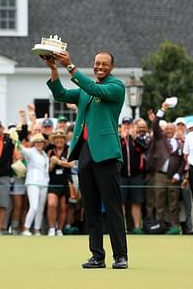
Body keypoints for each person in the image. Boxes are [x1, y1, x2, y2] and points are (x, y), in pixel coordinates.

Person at [43, 50, 128, 269]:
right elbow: (60, 94)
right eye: (97, 63)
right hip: (86, 152)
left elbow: (93, 88)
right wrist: (54, 68)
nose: (100, 67)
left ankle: (120, 256)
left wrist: (70, 66)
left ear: (112, 67)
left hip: (107, 153)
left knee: (112, 207)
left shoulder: (116, 87)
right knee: (90, 208)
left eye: (104, 64)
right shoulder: (85, 90)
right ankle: (97, 256)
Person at [147, 104, 186, 234]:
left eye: (171, 129)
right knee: (159, 202)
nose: (169, 130)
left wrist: (178, 175)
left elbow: (182, 162)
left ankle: (175, 226)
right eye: (167, 129)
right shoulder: (159, 139)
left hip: (173, 176)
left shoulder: (179, 143)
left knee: (174, 203)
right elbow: (155, 124)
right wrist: (162, 110)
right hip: (160, 175)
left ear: (175, 130)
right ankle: (160, 225)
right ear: (164, 130)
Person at [119, 117, 147, 234]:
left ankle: (137, 227)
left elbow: (144, 149)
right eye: (125, 124)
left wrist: (134, 138)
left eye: (129, 124)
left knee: (137, 202)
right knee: (121, 202)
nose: (127, 126)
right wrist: (121, 138)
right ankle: (122, 227)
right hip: (121, 175)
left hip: (136, 176)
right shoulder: (118, 140)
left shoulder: (137, 139)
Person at [21, 133, 50, 236]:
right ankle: (26, 228)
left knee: (41, 208)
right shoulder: (31, 152)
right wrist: (16, 140)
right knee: (33, 206)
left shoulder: (45, 155)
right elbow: (22, 150)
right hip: (32, 182)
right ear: (34, 143)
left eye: (41, 142)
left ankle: (37, 229)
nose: (39, 144)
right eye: (37, 142)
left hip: (44, 183)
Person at [47, 130, 74, 236]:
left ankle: (59, 229)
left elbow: (71, 164)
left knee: (63, 207)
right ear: (54, 140)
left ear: (64, 140)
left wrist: (57, 162)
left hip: (65, 181)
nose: (59, 140)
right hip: (53, 181)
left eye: (61, 138)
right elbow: (48, 169)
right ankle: (51, 228)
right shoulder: (50, 151)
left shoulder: (69, 150)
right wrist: (52, 165)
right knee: (51, 204)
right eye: (57, 138)